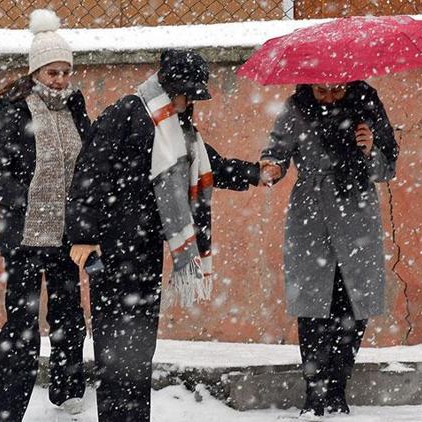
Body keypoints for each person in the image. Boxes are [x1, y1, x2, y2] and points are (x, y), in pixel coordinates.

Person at [66, 49, 261, 422]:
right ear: (171, 87)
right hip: (113, 250)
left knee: (139, 349)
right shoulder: (126, 113)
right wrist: (83, 236)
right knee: (115, 349)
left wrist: (252, 173)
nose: (190, 102)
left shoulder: (177, 126)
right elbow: (90, 172)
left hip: (146, 252)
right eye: (187, 94)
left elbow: (208, 165)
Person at [0, 9, 91, 422]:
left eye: (64, 72)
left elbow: (88, 161)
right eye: (51, 72)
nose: (59, 80)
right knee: (22, 326)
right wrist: (24, 201)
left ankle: (67, 393)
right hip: (24, 238)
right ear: (35, 72)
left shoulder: (76, 107)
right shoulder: (13, 110)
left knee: (69, 316)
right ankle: (7, 409)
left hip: (65, 236)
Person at [259, 81, 398, 419]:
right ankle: (314, 394)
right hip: (312, 217)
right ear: (309, 88)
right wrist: (272, 167)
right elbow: (276, 151)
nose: (329, 97)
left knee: (352, 307)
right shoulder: (296, 109)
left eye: (336, 91)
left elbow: (387, 168)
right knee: (313, 309)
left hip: (357, 216)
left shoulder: (368, 108)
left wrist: (370, 151)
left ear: (350, 86)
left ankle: (337, 390)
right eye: (321, 91)